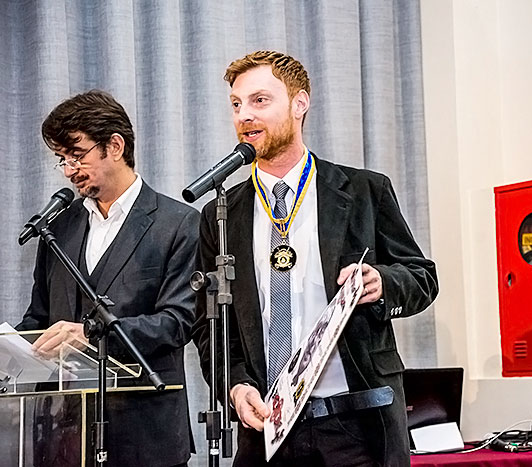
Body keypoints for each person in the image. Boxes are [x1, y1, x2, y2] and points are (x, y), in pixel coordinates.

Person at [192, 50, 438, 466]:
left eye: (260, 100)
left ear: (299, 103)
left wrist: (382, 282)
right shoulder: (222, 213)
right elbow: (208, 324)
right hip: (267, 429)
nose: (244, 115)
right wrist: (234, 385)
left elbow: (421, 277)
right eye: (236, 104)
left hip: (356, 425)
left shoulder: (364, 191)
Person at [17, 90, 199, 467]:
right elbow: (39, 319)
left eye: (77, 155)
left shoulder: (179, 224)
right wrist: (12, 349)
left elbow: (178, 322)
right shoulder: (57, 229)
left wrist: (90, 334)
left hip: (147, 436)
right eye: (61, 160)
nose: (69, 170)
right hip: (63, 437)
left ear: (114, 146)